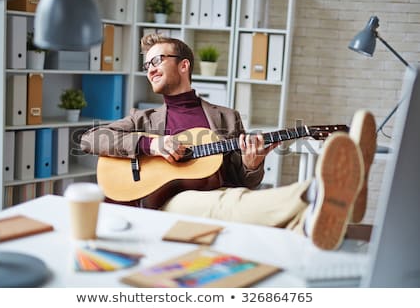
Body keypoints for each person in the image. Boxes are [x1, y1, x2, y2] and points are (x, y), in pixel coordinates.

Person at [81, 34, 377, 250]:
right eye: (147, 64)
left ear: (184, 65)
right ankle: (320, 191)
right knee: (226, 203)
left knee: (236, 202)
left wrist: (252, 163)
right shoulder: (144, 120)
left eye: (157, 60)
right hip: (165, 202)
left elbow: (241, 181)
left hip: (220, 195)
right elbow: (90, 138)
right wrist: (152, 145)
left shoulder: (225, 118)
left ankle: (316, 218)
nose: (151, 69)